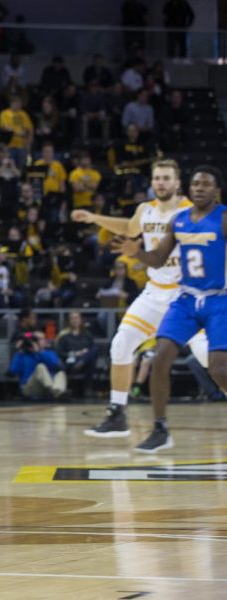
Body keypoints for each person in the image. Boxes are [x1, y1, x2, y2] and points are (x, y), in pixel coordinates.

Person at [73, 160, 208, 439]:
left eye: (166, 178)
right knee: (121, 344)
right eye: (157, 178)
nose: (161, 182)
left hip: (187, 295)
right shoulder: (145, 210)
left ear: (177, 183)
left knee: (209, 358)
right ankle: (117, 414)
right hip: (154, 292)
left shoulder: (192, 212)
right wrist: (94, 218)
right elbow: (131, 227)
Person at [113, 165, 227, 453]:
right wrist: (135, 252)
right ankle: (160, 428)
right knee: (161, 355)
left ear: (217, 191)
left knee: (218, 367)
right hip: (186, 299)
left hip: (218, 299)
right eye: (195, 183)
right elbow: (158, 259)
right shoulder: (179, 221)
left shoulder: (224, 218)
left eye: (206, 184)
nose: (199, 188)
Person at [9, 332, 68, 400]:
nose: (34, 342)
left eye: (38, 339)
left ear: (45, 341)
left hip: (48, 387)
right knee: (40, 367)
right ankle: (56, 392)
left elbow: (54, 365)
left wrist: (39, 352)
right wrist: (18, 352)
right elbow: (13, 371)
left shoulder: (50, 353)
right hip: (30, 388)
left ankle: (57, 392)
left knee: (61, 373)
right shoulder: (22, 355)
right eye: (33, 340)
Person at [55, 312, 98, 397]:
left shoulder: (86, 334)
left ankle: (87, 388)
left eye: (77, 318)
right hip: (70, 362)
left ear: (81, 320)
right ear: (69, 321)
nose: (75, 320)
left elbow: (92, 349)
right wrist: (75, 353)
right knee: (86, 358)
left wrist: (83, 355)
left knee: (93, 351)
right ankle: (80, 363)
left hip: (84, 363)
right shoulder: (64, 336)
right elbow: (60, 352)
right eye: (72, 318)